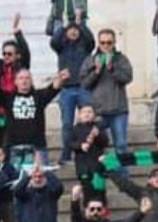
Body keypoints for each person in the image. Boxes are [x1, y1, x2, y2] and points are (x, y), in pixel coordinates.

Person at [0, 67, 69, 168]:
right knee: (15, 176)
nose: (24, 81)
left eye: (27, 78)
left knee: (41, 174)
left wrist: (61, 79)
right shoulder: (8, 98)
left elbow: (53, 89)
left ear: (31, 81)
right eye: (21, 78)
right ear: (16, 81)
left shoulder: (39, 96)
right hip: (14, 147)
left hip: (37, 147)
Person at [50, 12, 95, 165]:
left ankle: (89, 152)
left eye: (76, 30)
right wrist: (64, 25)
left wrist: (80, 22)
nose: (73, 32)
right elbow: (54, 40)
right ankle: (66, 155)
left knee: (88, 121)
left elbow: (90, 39)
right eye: (71, 30)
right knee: (67, 124)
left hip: (84, 88)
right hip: (66, 90)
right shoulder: (61, 46)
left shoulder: (85, 46)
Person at [80, 28, 134, 154]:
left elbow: (127, 78)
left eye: (109, 43)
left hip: (118, 110)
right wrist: (96, 72)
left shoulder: (121, 59)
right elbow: (84, 83)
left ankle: (122, 168)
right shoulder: (90, 60)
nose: (106, 46)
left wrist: (112, 69)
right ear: (98, 43)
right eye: (102, 43)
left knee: (121, 145)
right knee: (94, 144)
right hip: (98, 112)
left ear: (114, 43)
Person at [0, 13, 32, 144]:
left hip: (18, 104)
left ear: (17, 55)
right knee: (0, 136)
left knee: (18, 136)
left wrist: (17, 32)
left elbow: (26, 51)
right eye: (4, 53)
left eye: (9, 54)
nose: (6, 56)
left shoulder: (22, 66)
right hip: (2, 106)